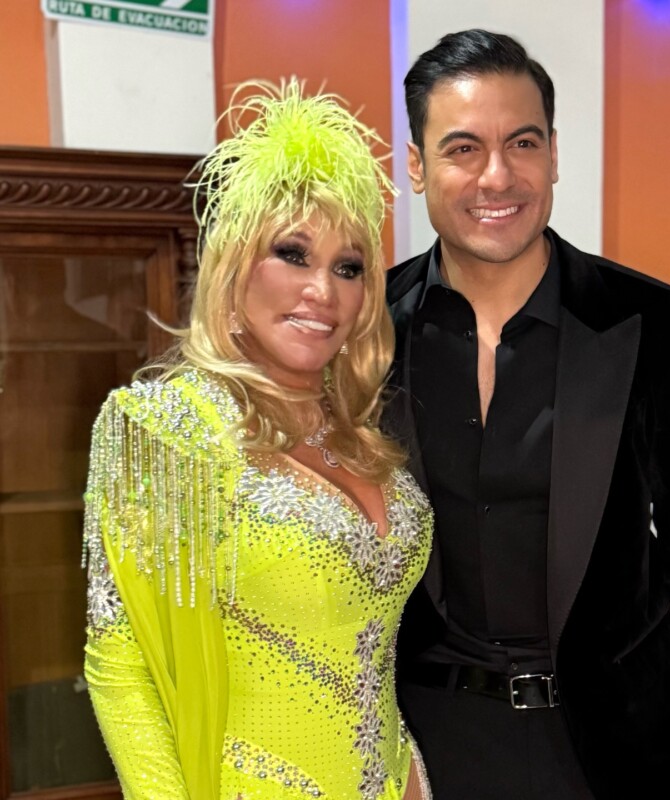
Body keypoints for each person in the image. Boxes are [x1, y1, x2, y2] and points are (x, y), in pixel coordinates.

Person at [385, 29, 670, 800]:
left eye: (522, 142)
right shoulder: (367, 330)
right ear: (416, 166)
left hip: (613, 750)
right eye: (463, 149)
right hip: (418, 753)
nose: (498, 175)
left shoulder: (653, 322)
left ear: (554, 154)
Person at [83, 79, 433, 800]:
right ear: (235, 267)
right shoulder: (167, 428)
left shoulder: (363, 434)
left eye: (348, 267)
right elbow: (122, 667)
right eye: (293, 254)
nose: (323, 292)